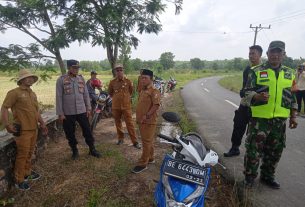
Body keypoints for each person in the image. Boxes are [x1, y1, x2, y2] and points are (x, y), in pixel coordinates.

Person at [243, 41, 298, 189]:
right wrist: (256, 97)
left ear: (283, 55)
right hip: (260, 120)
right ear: (267, 54)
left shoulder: (289, 73)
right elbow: (246, 93)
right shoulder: (256, 71)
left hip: (280, 121)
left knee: (275, 151)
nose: (275, 55)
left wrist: (293, 116)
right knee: (253, 151)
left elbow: (292, 97)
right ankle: (249, 177)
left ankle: (267, 176)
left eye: (279, 52)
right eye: (272, 52)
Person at [1, 69, 48, 191]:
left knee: (29, 153)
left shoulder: (32, 93)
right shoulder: (14, 93)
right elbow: (4, 108)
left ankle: (27, 173)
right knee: (22, 155)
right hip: (22, 130)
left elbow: (36, 112)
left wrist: (42, 123)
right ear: (21, 80)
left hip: (34, 129)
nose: (31, 79)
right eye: (28, 77)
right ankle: (19, 180)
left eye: (32, 77)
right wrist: (7, 125)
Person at [56, 59, 101, 160]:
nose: (76, 70)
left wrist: (88, 108)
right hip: (68, 112)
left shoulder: (81, 79)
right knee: (70, 132)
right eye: (74, 68)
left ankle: (92, 149)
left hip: (82, 110)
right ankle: (75, 151)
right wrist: (60, 113)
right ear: (69, 68)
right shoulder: (61, 80)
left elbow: (86, 95)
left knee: (87, 130)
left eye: (77, 68)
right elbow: (58, 97)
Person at [224, 45, 263, 157]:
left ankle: (254, 154)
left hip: (257, 106)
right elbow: (245, 85)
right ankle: (234, 148)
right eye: (249, 53)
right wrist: (242, 90)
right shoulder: (247, 69)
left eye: (253, 53)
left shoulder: (265, 70)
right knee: (238, 125)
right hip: (245, 103)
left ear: (260, 54)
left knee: (255, 132)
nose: (250, 56)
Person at [132, 69, 161, 173]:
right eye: (142, 78)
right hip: (142, 120)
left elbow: (156, 105)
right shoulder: (143, 89)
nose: (143, 80)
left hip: (148, 121)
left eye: (145, 78)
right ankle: (151, 158)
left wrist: (147, 115)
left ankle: (143, 163)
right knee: (148, 140)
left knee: (146, 142)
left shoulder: (154, 91)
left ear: (151, 79)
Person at [108, 64, 141, 149]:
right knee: (118, 123)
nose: (119, 72)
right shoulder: (112, 82)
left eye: (120, 70)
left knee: (130, 123)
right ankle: (120, 138)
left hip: (126, 106)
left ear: (123, 71)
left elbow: (131, 92)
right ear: (115, 72)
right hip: (116, 106)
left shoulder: (128, 81)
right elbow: (110, 93)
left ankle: (135, 141)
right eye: (117, 70)